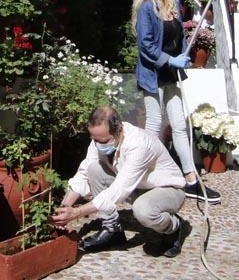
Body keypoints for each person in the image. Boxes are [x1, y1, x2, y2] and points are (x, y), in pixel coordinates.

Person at [131, 0, 239, 203]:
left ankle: (191, 179)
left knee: (180, 125)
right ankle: (141, 174)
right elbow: (145, 46)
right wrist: (171, 59)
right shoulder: (147, 8)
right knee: (155, 124)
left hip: (171, 74)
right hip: (153, 74)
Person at [52, 106, 191, 257]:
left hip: (168, 189)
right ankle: (112, 230)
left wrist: (77, 212)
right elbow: (84, 172)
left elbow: (119, 190)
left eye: (104, 140)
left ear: (118, 130)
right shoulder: (100, 138)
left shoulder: (139, 144)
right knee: (94, 169)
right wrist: (65, 207)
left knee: (143, 210)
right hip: (136, 186)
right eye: (95, 140)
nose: (99, 145)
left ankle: (174, 227)